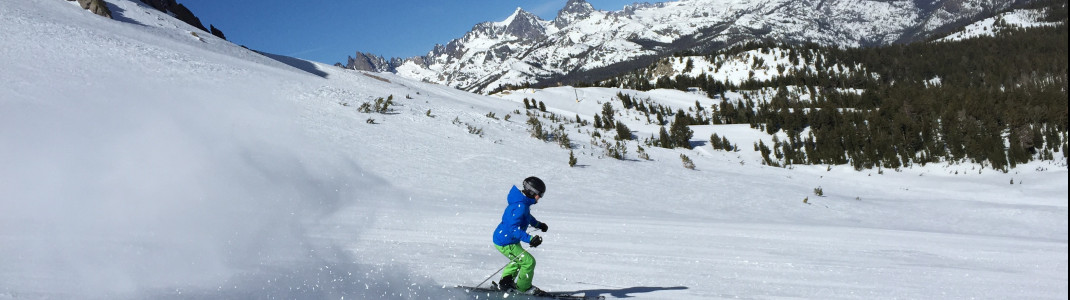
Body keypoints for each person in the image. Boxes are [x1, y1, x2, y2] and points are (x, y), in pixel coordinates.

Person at [492, 176, 550, 295]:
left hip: (507, 239)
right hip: (506, 242)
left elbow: (527, 218)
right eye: (539, 194)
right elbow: (513, 229)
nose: (539, 197)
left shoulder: (522, 203)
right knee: (528, 262)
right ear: (531, 192)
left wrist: (539, 225)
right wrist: (530, 239)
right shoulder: (520, 206)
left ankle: (505, 283)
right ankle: (524, 288)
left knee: (517, 260)